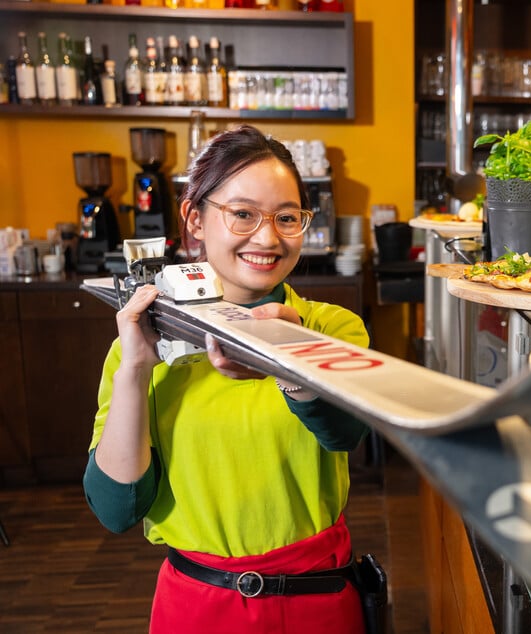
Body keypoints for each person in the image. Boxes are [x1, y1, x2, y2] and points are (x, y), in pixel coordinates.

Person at [83, 124, 370, 633]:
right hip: (196, 607)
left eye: (287, 217)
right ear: (195, 218)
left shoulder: (332, 327)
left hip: (318, 599)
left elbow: (344, 434)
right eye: (242, 214)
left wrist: (289, 360)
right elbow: (117, 508)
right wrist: (134, 370)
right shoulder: (137, 346)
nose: (267, 237)